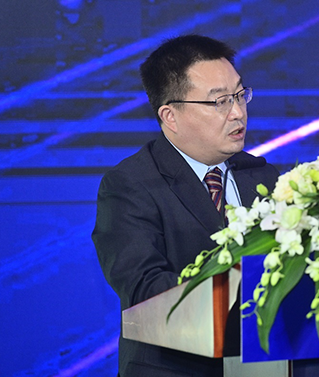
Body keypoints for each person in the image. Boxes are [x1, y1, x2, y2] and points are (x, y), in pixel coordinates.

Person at [92, 34, 279, 376]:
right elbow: (146, 292)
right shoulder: (130, 185)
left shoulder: (264, 176)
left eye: (240, 95)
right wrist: (251, 293)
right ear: (170, 116)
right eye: (219, 101)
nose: (238, 112)